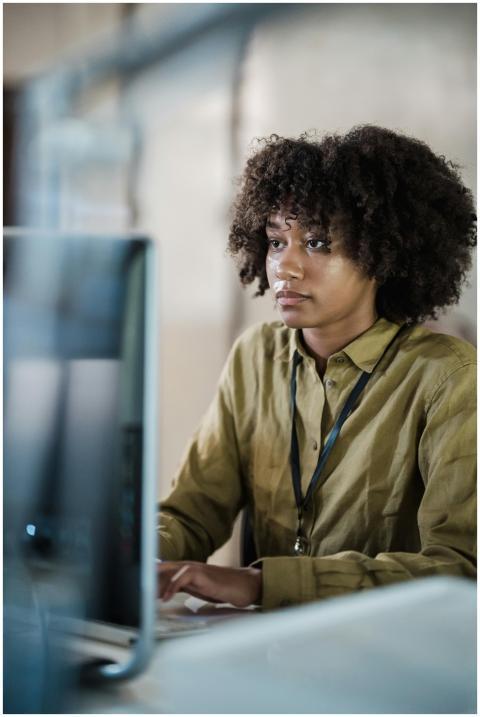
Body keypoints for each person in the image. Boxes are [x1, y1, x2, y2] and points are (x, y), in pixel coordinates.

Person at [157, 125, 476, 609]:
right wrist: (125, 557)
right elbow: (191, 514)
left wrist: (261, 584)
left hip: (388, 659)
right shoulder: (255, 357)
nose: (286, 267)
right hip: (266, 652)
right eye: (276, 241)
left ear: (382, 255)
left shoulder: (448, 376)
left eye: (319, 243)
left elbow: (459, 569)